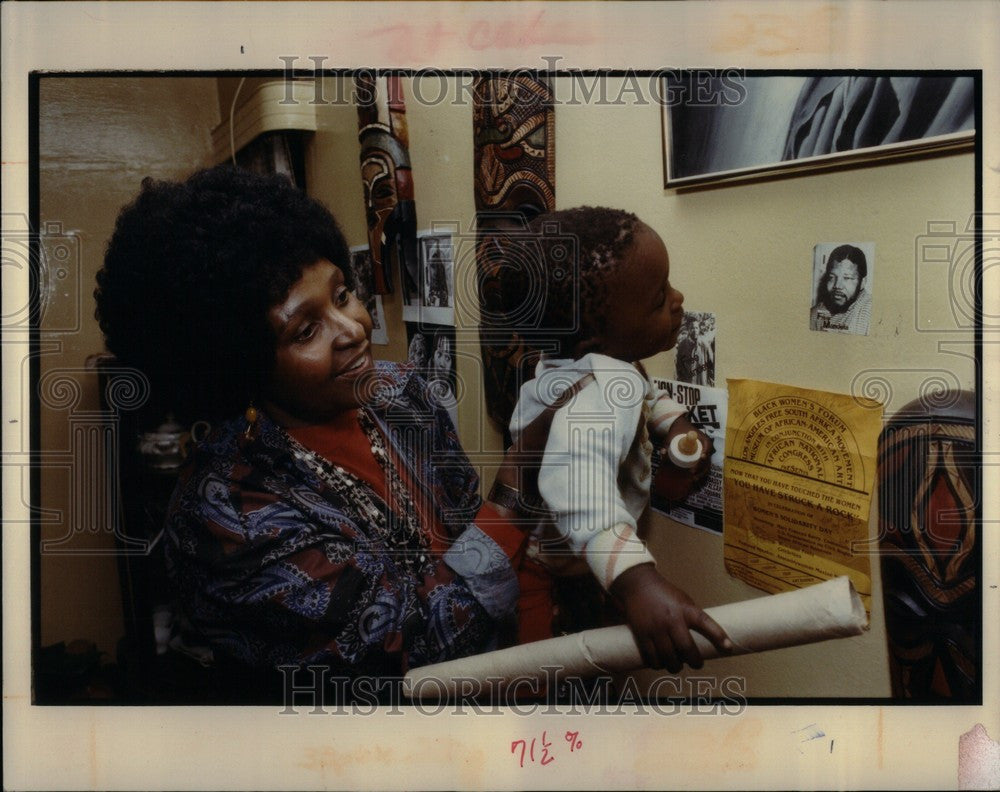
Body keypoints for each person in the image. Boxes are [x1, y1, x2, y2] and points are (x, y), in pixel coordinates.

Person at [93, 165, 563, 692]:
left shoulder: (398, 392)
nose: (355, 330)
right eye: (305, 330)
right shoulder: (225, 517)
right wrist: (520, 477)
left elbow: (465, 522)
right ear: (237, 363)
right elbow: (414, 651)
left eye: (342, 295)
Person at [505, 207, 733, 673]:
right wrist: (637, 583)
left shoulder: (600, 367)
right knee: (542, 681)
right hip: (543, 577)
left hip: (578, 561)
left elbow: (648, 395)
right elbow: (578, 481)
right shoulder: (601, 387)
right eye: (657, 300)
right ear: (595, 339)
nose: (677, 298)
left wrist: (675, 425)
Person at [810, 244, 872, 335]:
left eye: (847, 278)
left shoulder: (870, 311)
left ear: (862, 282)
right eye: (832, 277)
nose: (837, 285)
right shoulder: (815, 313)